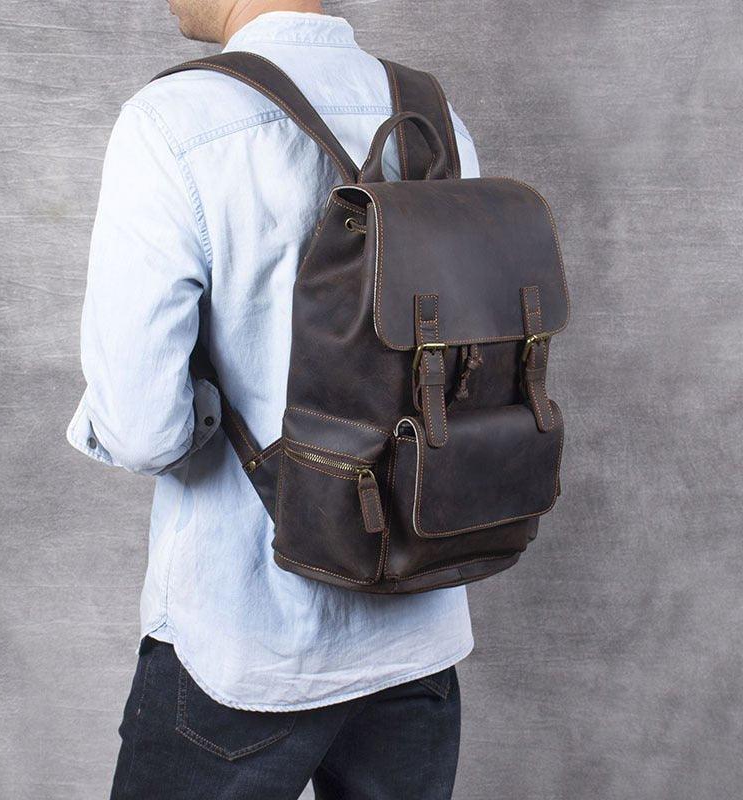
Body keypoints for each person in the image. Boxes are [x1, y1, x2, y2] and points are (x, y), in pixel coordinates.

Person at [67, 1, 481, 797]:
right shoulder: (434, 118)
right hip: (418, 632)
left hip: (246, 640)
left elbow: (142, 430)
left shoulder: (173, 120)